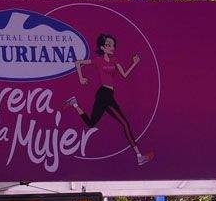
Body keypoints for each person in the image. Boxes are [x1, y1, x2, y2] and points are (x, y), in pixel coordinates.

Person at [63, 33, 152, 166]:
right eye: (108, 45)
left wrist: (134, 63)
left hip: (108, 94)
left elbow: (124, 75)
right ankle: (139, 157)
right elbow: (78, 62)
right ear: (102, 47)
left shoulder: (115, 60)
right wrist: (81, 78)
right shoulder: (98, 60)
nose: (112, 47)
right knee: (125, 124)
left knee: (91, 123)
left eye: (113, 45)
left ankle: (74, 103)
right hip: (104, 94)